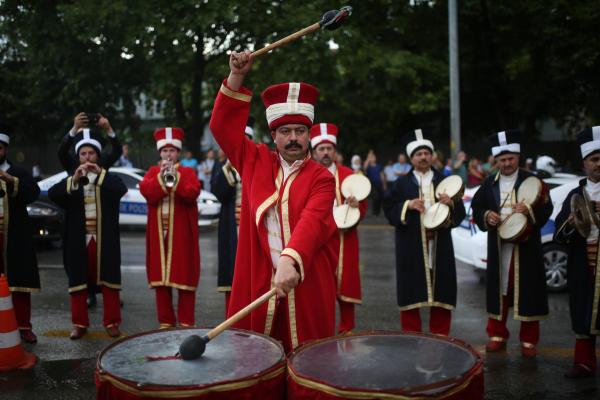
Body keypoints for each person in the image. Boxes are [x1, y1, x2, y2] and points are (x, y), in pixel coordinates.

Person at [208, 50, 338, 352]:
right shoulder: (254, 160)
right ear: (273, 135)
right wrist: (237, 76)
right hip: (258, 282)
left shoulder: (322, 178)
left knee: (307, 363)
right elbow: (221, 127)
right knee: (255, 362)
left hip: (306, 284)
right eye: (285, 131)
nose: (293, 138)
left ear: (309, 135)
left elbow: (313, 221)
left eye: (300, 131)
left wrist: (290, 260)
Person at [471, 130, 551, 357]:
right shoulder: (488, 184)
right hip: (499, 248)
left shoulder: (534, 182)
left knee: (528, 291)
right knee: (500, 291)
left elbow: (547, 208)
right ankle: (496, 334)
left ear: (518, 157)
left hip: (526, 247)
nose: (506, 163)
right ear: (496, 160)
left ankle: (529, 340)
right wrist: (487, 215)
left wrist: (530, 211)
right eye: (502, 160)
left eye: (510, 159)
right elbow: (476, 207)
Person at [383, 129, 465, 336]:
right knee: (412, 291)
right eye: (418, 154)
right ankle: (412, 337)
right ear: (411, 158)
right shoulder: (400, 184)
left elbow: (460, 215)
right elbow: (389, 210)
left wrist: (452, 203)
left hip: (440, 245)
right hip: (411, 245)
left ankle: (441, 336)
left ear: (432, 156)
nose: (423, 157)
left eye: (426, 153)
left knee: (442, 291)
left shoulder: (445, 180)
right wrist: (407, 205)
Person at [48, 129, 127, 339]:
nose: (87, 158)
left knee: (109, 281)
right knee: (78, 281)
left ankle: (111, 322)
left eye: (91, 153)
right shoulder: (72, 177)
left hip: (104, 239)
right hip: (78, 239)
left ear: (98, 156)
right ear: (78, 157)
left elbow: (120, 190)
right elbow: (54, 195)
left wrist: (99, 173)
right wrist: (74, 179)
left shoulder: (107, 178)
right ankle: (79, 323)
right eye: (83, 154)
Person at [140, 127, 201, 329]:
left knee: (184, 276)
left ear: (178, 153)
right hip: (159, 234)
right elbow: (148, 193)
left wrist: (176, 179)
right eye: (165, 151)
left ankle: (186, 322)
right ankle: (165, 321)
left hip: (181, 235)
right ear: (160, 153)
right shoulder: (152, 172)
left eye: (172, 151)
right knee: (161, 281)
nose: (168, 155)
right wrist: (162, 178)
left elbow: (192, 193)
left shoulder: (188, 172)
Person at [311, 123, 367, 333]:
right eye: (321, 149)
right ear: (314, 151)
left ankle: (347, 330)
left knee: (346, 285)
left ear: (335, 151)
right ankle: (319, 331)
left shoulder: (348, 175)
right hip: (318, 240)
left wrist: (356, 206)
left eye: (329, 149)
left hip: (345, 238)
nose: (326, 153)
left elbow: (363, 204)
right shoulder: (307, 173)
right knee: (319, 287)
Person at [554, 126, 600, 378]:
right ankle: (584, 362)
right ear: (584, 163)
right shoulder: (575, 194)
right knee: (583, 309)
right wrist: (571, 221)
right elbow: (560, 235)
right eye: (594, 159)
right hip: (584, 263)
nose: (599, 163)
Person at [0, 124, 41, 344]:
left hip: (14, 234)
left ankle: (24, 326)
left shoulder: (18, 172)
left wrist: (10, 180)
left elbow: (33, 192)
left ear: (5, 149)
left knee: (19, 282)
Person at [210, 117, 254, 316]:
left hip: (253, 228)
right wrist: (229, 169)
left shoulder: (258, 165)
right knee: (231, 269)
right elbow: (219, 193)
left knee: (254, 273)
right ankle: (232, 316)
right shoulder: (222, 168)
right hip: (230, 227)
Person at [364, 150, 386, 216]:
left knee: (380, 198)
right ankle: (374, 211)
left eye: (374, 157)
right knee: (375, 197)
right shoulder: (368, 166)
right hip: (372, 184)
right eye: (372, 157)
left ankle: (378, 211)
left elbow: (382, 175)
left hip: (379, 184)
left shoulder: (379, 166)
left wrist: (384, 184)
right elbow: (364, 167)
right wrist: (368, 157)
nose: (373, 158)